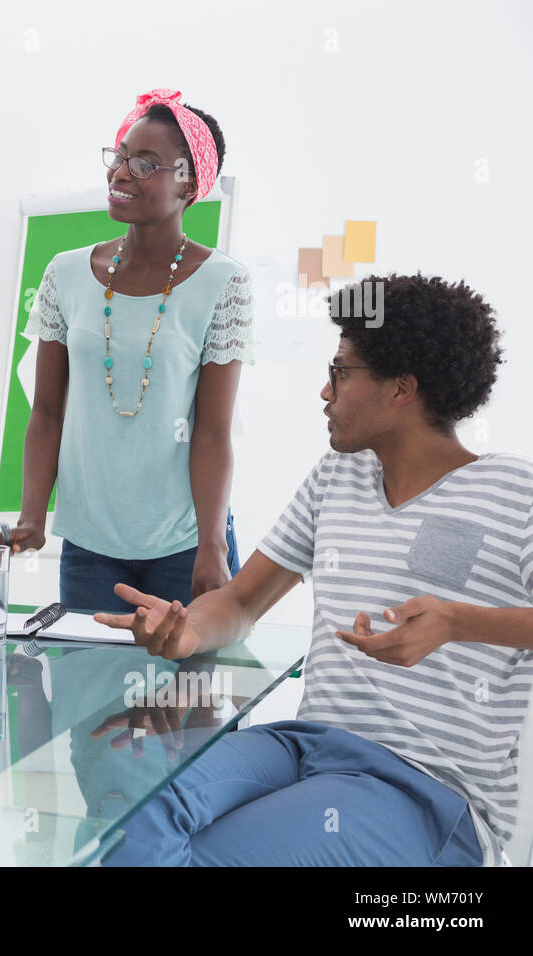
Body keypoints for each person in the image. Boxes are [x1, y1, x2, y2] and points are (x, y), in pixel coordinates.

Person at [94, 274, 531, 866]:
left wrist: (457, 621)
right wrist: (190, 629)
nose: (324, 392)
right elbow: (242, 602)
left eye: (341, 373)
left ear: (401, 389)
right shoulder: (337, 476)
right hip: (304, 746)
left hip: (424, 789)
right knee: (129, 815)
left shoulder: (512, 490)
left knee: (208, 858)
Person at [3, 89, 254, 614]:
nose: (121, 173)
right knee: (88, 691)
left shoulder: (223, 283)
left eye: (146, 164)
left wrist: (213, 544)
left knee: (184, 694)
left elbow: (211, 431)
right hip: (91, 547)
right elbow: (47, 412)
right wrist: (32, 513)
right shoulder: (65, 274)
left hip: (184, 546)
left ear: (189, 183)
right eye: (120, 157)